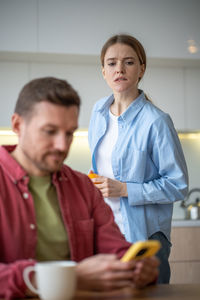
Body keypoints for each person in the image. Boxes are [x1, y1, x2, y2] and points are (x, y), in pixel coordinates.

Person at [0, 77, 159, 299]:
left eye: (69, 133)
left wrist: (135, 268)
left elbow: (116, 250)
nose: (62, 146)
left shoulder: (83, 186)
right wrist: (69, 277)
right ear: (17, 125)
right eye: (49, 131)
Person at [88, 34, 188, 284]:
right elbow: (97, 168)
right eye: (111, 63)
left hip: (144, 237)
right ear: (103, 70)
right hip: (106, 232)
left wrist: (124, 189)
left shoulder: (156, 121)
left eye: (128, 62)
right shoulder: (98, 112)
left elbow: (178, 185)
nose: (119, 69)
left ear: (142, 69)